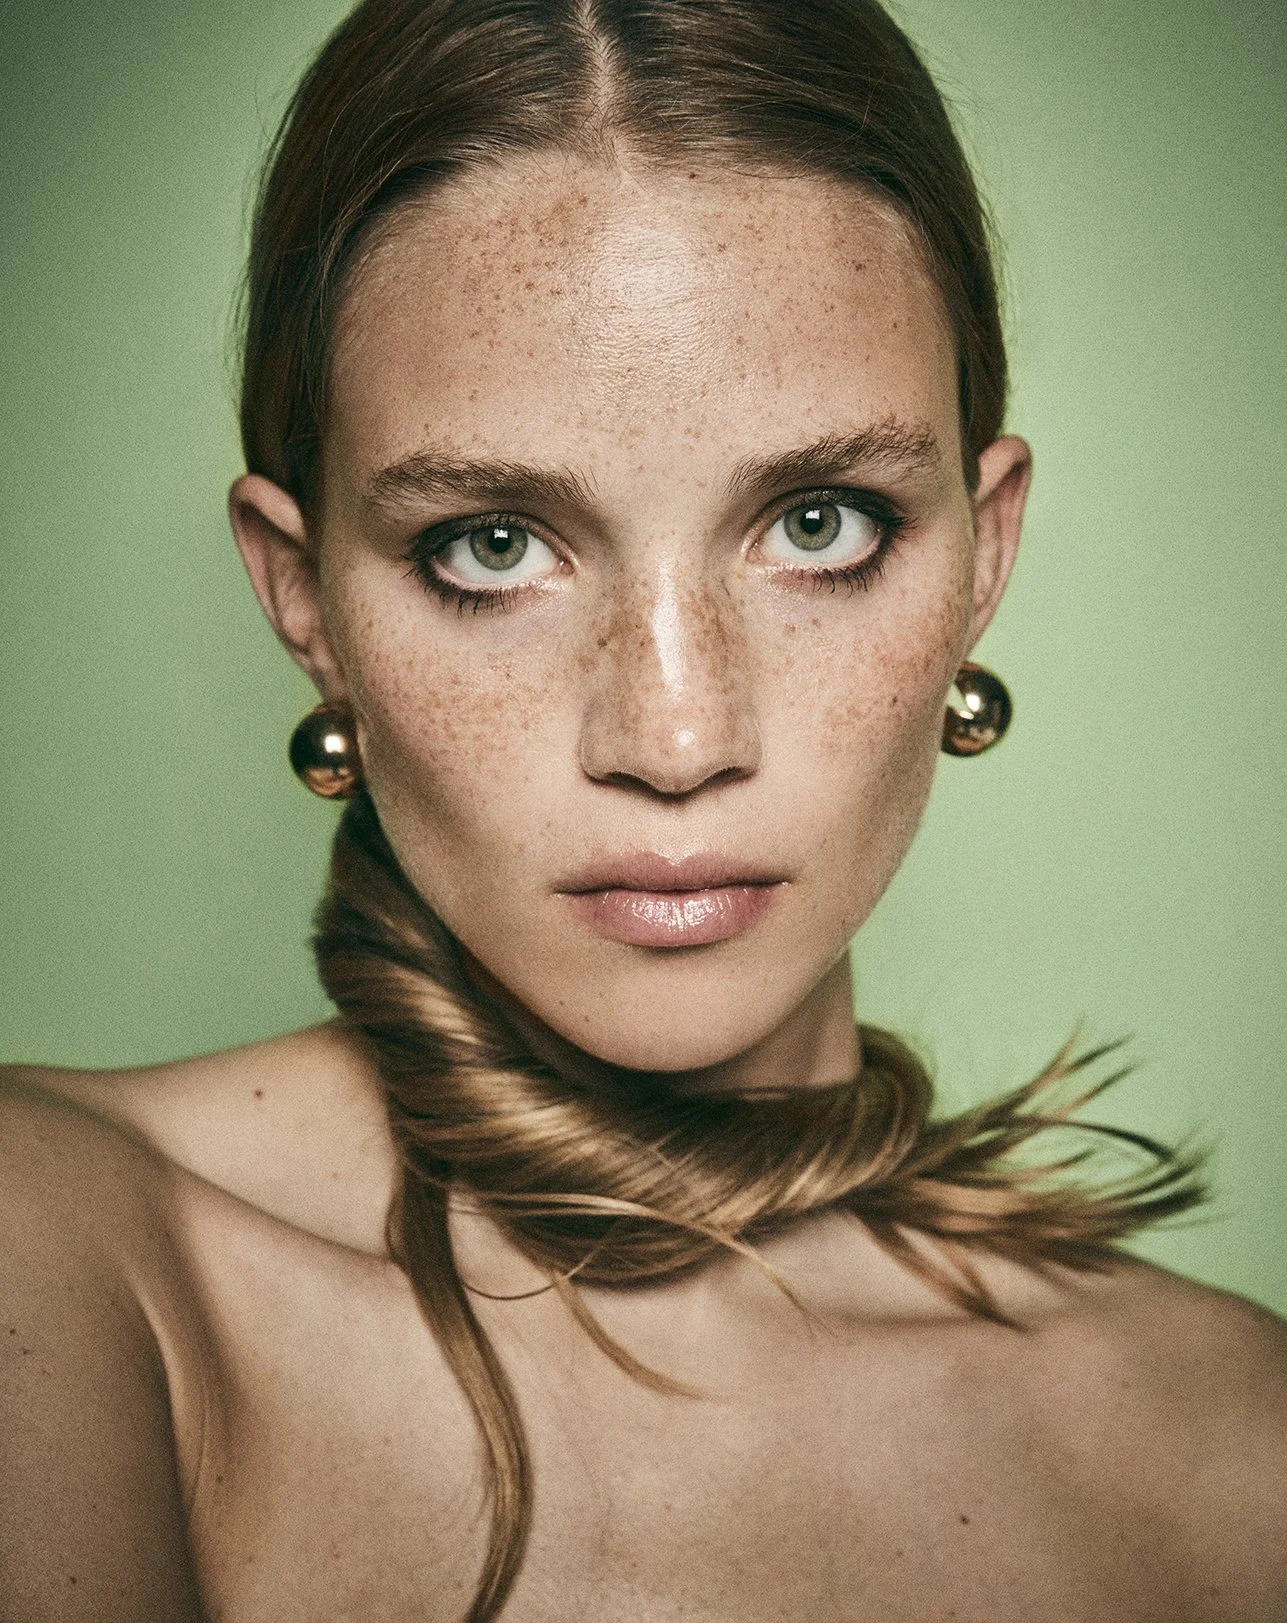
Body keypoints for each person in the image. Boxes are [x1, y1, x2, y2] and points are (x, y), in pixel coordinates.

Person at [2, 1, 1285, 1618]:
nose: (673, 736)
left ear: (982, 547)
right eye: (490, 544)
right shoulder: (59, 1262)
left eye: (819, 523)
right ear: (302, 592)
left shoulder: (1238, 1450)